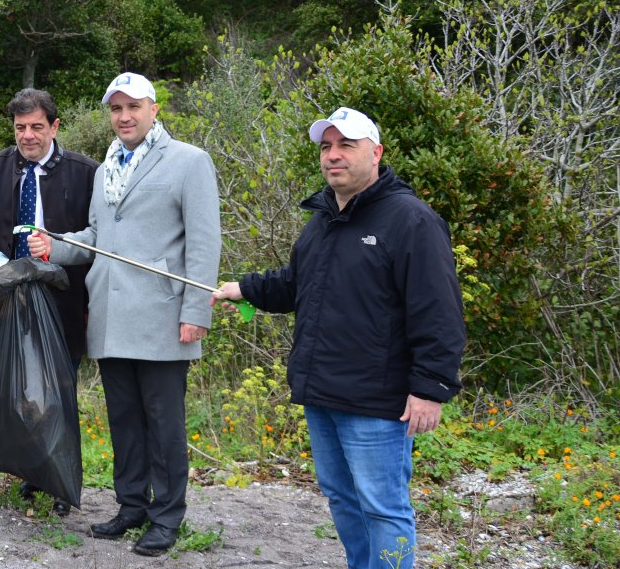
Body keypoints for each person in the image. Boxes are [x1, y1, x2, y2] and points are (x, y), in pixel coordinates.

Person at [212, 107, 465, 569]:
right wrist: (243, 288)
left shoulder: (411, 220)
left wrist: (431, 386)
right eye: (327, 147)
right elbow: (298, 284)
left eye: (346, 145)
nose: (333, 156)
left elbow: (439, 310)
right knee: (343, 501)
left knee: (383, 507)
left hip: (377, 400)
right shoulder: (323, 220)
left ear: (376, 153)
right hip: (322, 392)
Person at [27, 72, 221, 556]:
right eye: (115, 109)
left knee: (164, 424)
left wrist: (196, 310)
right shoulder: (105, 168)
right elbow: (98, 238)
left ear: (154, 109)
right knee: (125, 422)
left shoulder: (189, 162)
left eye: (133, 106)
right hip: (111, 318)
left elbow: (203, 243)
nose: (124, 116)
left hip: (163, 318)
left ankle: (167, 517)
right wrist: (58, 246)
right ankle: (131, 506)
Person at [0, 88, 98, 515]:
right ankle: (30, 474)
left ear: (55, 127)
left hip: (63, 300)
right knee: (17, 391)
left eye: (37, 126)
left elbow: (96, 240)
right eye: (21, 128)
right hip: (7, 297)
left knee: (57, 391)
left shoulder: (85, 172)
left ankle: (59, 483)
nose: (28, 136)